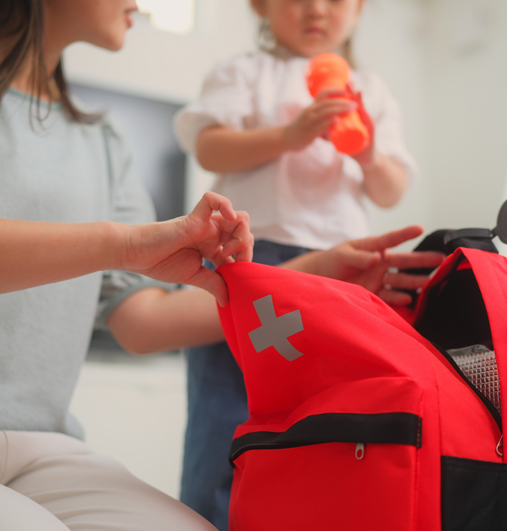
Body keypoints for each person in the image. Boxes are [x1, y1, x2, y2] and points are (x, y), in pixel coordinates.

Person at [0, 1, 442, 530]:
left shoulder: (103, 143)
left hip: (42, 451)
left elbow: (141, 320)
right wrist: (122, 243)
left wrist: (316, 274)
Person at [172, 0, 419, 526]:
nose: (315, 9)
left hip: (341, 270)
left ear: (359, 8)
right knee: (226, 409)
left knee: (329, 410)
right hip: (252, 261)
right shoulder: (246, 71)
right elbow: (210, 148)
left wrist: (369, 152)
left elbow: (391, 188)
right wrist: (290, 135)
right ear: (259, 5)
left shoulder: (369, 91)